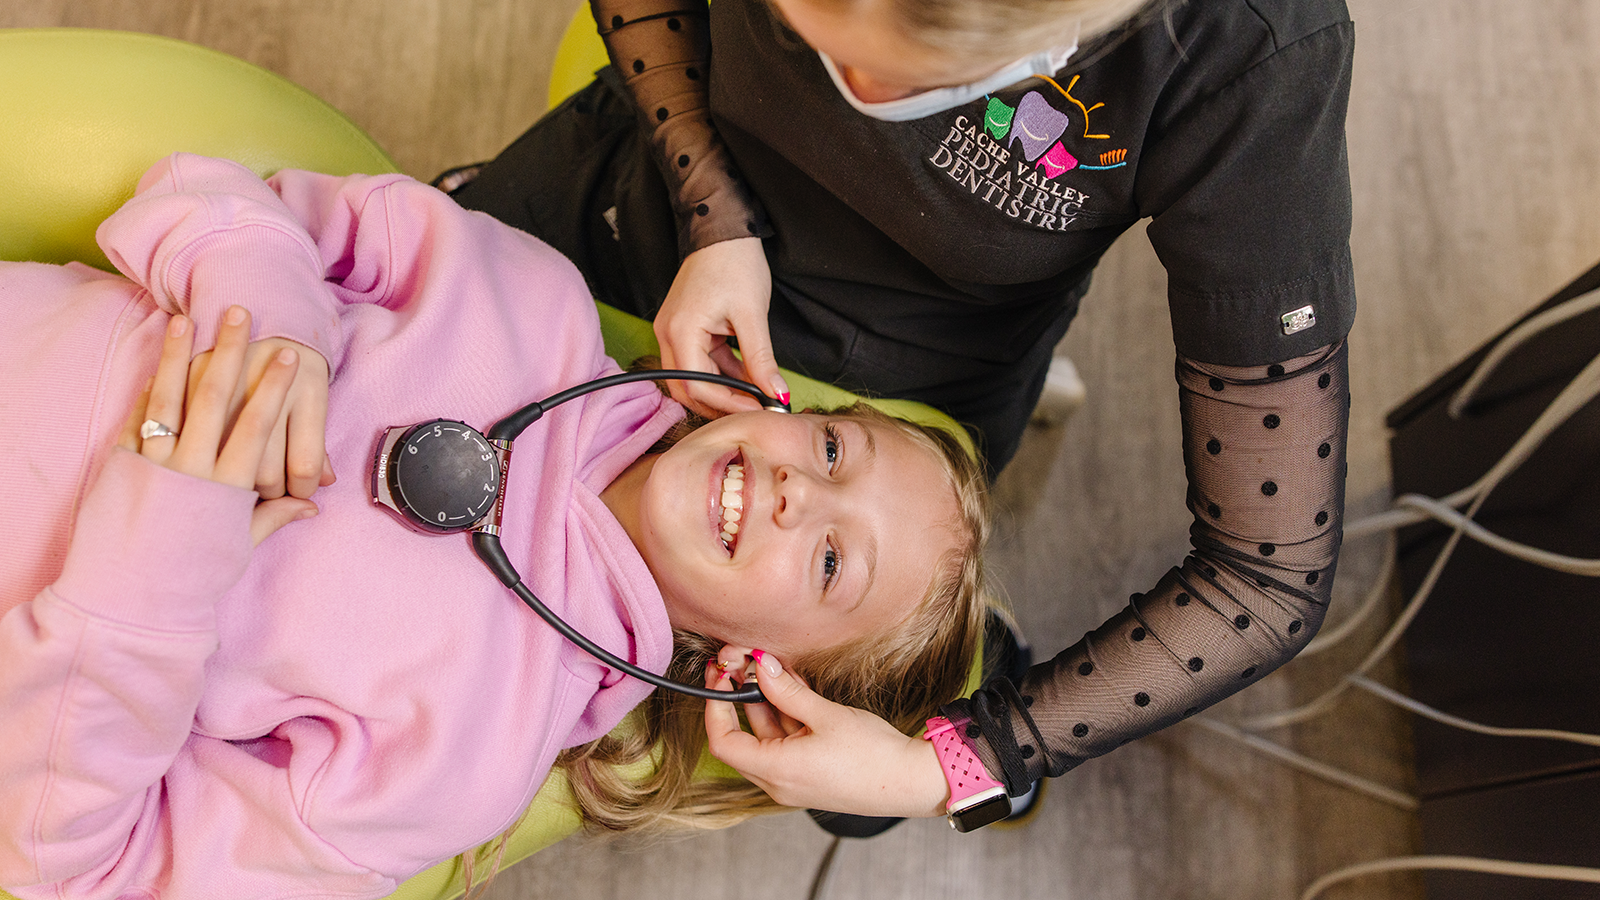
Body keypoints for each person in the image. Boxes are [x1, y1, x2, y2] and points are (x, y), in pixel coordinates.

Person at [447, 0, 1354, 827]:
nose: (864, 98)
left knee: (860, 800)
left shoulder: (1249, 54)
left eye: (932, 78)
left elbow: (1265, 579)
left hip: (926, 369)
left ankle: (968, 643)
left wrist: (958, 763)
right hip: (658, 190)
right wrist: (711, 211)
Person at [0, 152, 989, 900]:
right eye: (828, 452)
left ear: (753, 670)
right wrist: (271, 310)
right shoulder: (523, 296)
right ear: (771, 402)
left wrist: (149, 584)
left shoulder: (461, 763)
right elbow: (205, 191)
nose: (798, 495)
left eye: (828, 560)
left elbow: (84, 873)